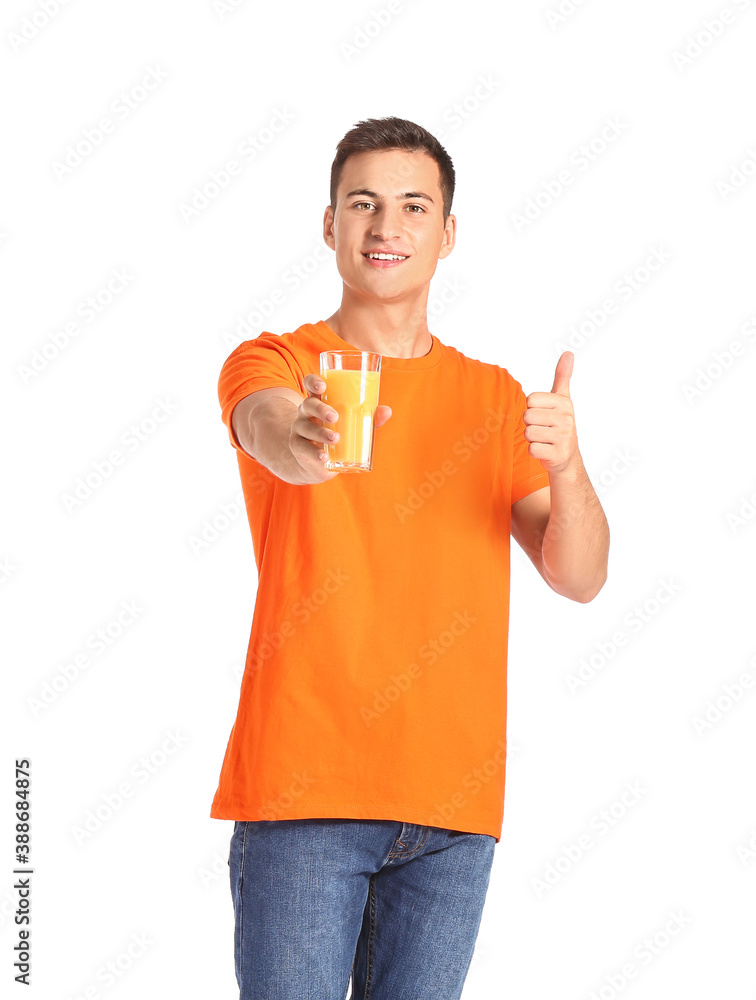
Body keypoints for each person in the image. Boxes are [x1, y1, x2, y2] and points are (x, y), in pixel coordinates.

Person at [211, 116, 609, 1000]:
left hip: (451, 808)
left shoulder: (494, 397)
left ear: (447, 233)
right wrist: (306, 439)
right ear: (329, 225)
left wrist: (569, 464)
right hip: (303, 797)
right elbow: (268, 430)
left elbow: (578, 575)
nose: (386, 227)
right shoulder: (275, 363)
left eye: (412, 206)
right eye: (363, 203)